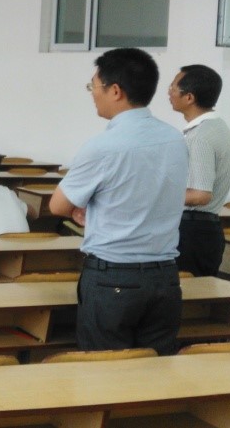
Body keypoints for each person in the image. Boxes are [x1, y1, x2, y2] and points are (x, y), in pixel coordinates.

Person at [50, 48, 186, 354]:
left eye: (93, 86)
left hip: (113, 276)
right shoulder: (175, 139)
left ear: (115, 91)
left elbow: (58, 206)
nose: (92, 94)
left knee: (105, 371)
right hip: (165, 275)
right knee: (156, 368)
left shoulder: (103, 146)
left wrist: (84, 208)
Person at [167, 64, 230, 276]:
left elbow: (200, 195)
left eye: (173, 87)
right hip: (202, 230)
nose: (169, 92)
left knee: (187, 294)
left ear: (189, 97)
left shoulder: (200, 137)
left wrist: (157, 196)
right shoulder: (216, 126)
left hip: (192, 232)